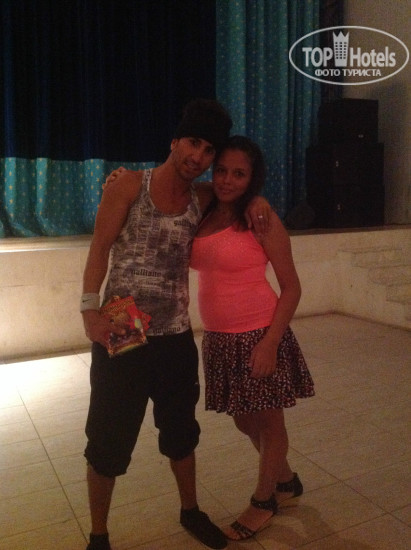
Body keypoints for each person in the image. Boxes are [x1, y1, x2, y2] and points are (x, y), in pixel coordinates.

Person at [80, 99, 271, 550]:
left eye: (209, 151)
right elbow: (99, 248)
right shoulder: (129, 185)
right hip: (123, 324)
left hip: (175, 335)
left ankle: (191, 511)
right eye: (193, 143)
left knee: (181, 433)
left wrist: (259, 198)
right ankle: (99, 536)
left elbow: (241, 195)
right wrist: (90, 311)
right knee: (108, 439)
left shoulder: (203, 199)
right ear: (174, 142)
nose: (198, 156)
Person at [190, 135, 315, 541]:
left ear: (252, 178)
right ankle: (286, 480)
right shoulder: (204, 209)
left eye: (239, 174)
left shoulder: (262, 219)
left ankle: (264, 501)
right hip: (219, 338)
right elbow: (171, 184)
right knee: (244, 421)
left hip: (259, 333)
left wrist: (270, 344)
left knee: (269, 421)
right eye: (222, 170)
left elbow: (292, 287)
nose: (227, 180)